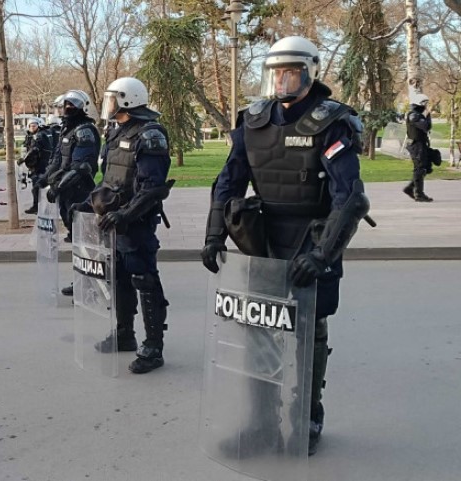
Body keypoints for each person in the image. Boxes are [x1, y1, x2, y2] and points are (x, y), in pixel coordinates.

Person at [200, 36, 369, 456]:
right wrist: (213, 234)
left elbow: (350, 197)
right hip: (262, 240)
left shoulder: (332, 122)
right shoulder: (253, 120)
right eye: (276, 72)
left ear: (309, 72)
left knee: (308, 336)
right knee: (259, 332)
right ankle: (260, 422)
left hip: (312, 239)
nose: (282, 80)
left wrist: (321, 254)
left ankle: (306, 418)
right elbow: (228, 180)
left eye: (291, 72)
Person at [68, 78, 173, 374]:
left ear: (129, 100)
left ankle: (154, 346)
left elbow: (152, 187)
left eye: (113, 100)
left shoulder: (150, 134)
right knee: (119, 279)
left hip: (136, 223)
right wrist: (89, 205)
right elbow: (110, 181)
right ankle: (125, 334)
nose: (108, 106)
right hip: (113, 222)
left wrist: (126, 214)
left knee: (145, 280)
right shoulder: (116, 132)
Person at [39, 90, 100, 243]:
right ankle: (74, 236)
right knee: (69, 222)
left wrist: (58, 187)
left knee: (83, 231)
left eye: (72, 105)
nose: (67, 108)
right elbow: (57, 159)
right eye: (66, 104)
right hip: (65, 188)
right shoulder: (67, 130)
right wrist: (45, 179)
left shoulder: (84, 131)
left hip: (79, 188)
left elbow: (80, 168)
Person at [404, 93, 434, 202]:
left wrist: (427, 115)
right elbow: (425, 126)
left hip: (421, 144)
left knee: (426, 167)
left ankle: (410, 188)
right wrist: (427, 115)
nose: (426, 105)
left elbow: (427, 127)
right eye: (424, 103)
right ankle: (419, 194)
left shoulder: (418, 114)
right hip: (416, 145)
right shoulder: (414, 115)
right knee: (420, 169)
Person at [19, 118, 53, 214]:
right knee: (38, 186)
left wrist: (24, 159)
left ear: (39, 125)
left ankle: (38, 207)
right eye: (30, 126)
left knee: (37, 187)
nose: (32, 127)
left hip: (41, 165)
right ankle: (39, 206)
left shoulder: (39, 135)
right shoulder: (39, 134)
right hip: (39, 165)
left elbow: (34, 149)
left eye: (34, 125)